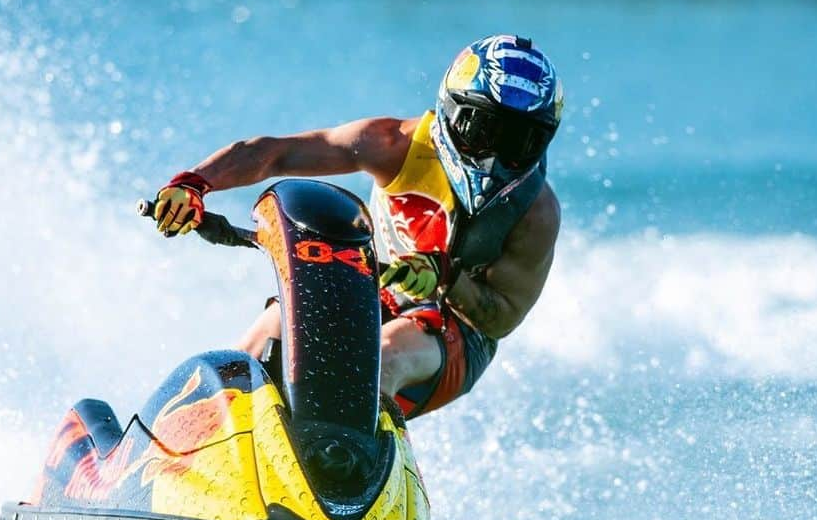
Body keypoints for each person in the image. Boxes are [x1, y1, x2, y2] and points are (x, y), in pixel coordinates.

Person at [152, 34, 563, 420]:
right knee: (260, 344)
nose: (493, 159)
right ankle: (194, 437)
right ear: (451, 110)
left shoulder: (536, 213)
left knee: (382, 360)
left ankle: (350, 474)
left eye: (517, 143)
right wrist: (195, 183)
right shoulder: (390, 145)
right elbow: (275, 155)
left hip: (455, 333)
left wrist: (447, 276)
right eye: (482, 131)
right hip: (371, 289)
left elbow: (501, 319)